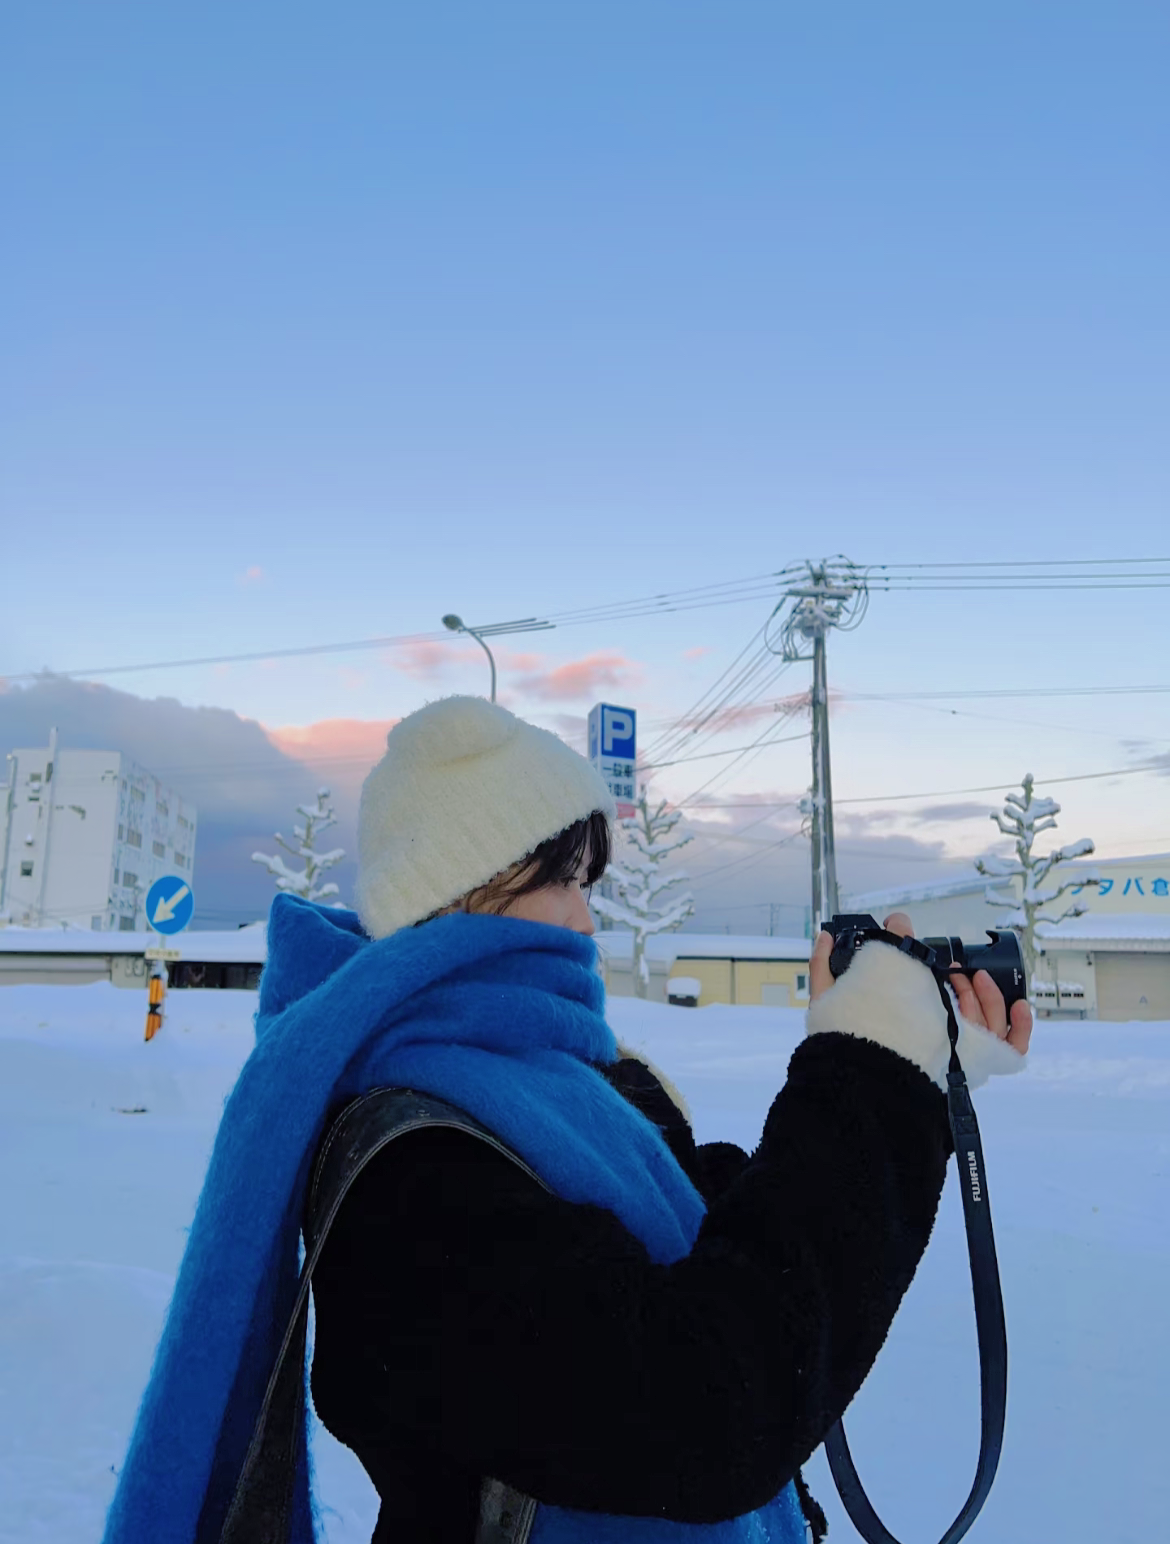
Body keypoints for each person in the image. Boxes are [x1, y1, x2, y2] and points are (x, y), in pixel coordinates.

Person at [102, 696, 1031, 1544]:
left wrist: (907, 1078)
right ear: (464, 891)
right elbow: (710, 1406)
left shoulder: (587, 1082)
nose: (586, 923)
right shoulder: (410, 1166)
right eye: (564, 880)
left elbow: (744, 1252)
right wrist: (868, 1074)